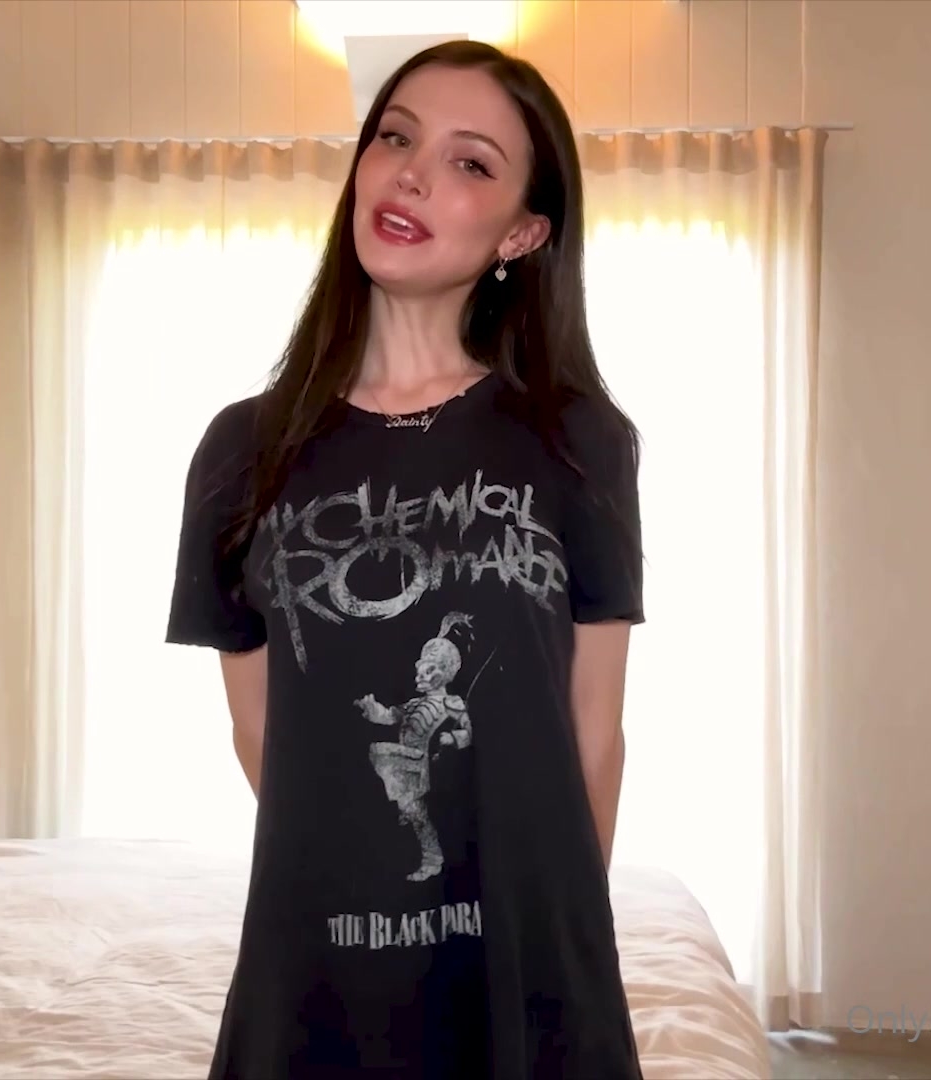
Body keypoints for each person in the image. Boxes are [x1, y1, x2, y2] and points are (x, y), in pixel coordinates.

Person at [164, 38, 646, 1080]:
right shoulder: (242, 449)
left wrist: (558, 948)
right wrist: (368, 890)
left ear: (521, 231)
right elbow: (259, 729)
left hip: (527, 960)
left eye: (469, 161)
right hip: (317, 967)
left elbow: (594, 731)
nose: (412, 175)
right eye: (395, 138)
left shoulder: (579, 441)